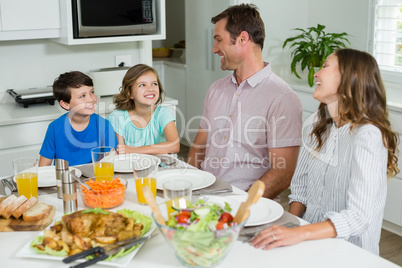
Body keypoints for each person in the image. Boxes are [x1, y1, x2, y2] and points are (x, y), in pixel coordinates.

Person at [251, 48, 400, 254]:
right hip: (308, 244)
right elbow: (300, 189)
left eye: (325, 66)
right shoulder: (315, 123)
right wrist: (291, 227)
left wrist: (300, 233)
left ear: (351, 77)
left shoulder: (368, 136)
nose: (316, 73)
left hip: (350, 255)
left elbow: (359, 216)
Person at [187, 4, 303, 198]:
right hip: (201, 197)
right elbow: (200, 146)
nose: (214, 49)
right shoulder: (216, 89)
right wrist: (190, 185)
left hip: (243, 207)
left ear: (242, 39)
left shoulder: (283, 98)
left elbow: (282, 174)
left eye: (218, 40)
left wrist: (241, 206)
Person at [39, 71, 118, 166]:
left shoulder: (104, 125)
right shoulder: (54, 128)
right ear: (65, 104)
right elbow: (43, 168)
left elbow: (113, 161)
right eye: (82, 96)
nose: (91, 99)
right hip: (65, 179)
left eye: (92, 92)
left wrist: (114, 155)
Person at [107, 64, 180, 155]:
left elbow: (174, 146)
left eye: (154, 84)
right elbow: (119, 153)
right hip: (130, 167)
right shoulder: (118, 116)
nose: (150, 89)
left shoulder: (163, 113)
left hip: (161, 167)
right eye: (142, 85)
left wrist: (134, 150)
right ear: (130, 93)